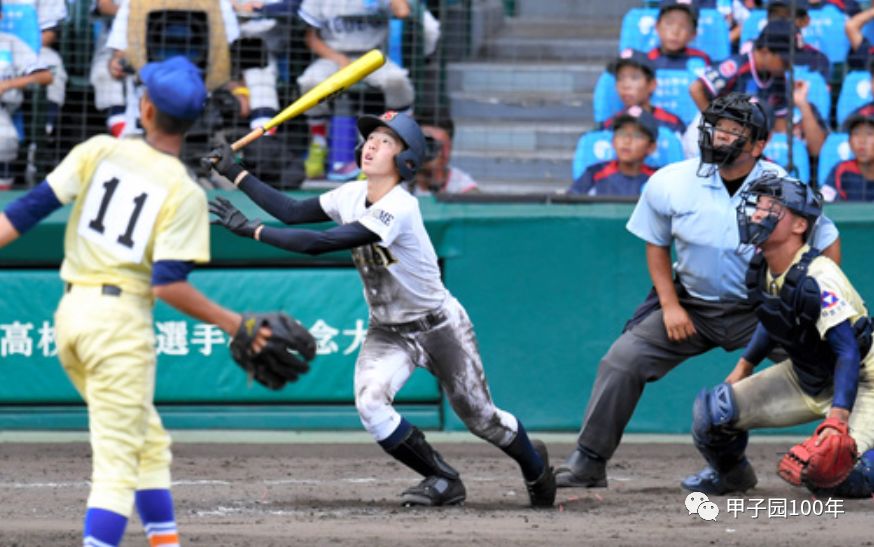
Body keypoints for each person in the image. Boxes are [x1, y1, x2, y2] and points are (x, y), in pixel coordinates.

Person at [204, 111, 557, 508]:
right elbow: (290, 210)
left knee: (481, 419)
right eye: (371, 137)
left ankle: (536, 466)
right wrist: (235, 173)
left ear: (406, 161)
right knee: (371, 403)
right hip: (388, 330)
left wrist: (253, 230)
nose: (372, 144)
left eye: (387, 141)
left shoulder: (400, 207)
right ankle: (441, 478)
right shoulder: (351, 194)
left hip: (439, 326)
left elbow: (319, 243)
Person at [0, 56, 281, 547]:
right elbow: (166, 284)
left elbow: (23, 213)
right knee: (115, 467)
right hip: (119, 328)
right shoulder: (185, 192)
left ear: (145, 109)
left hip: (72, 316)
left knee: (148, 444)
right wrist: (233, 322)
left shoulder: (99, 150)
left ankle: (164, 541)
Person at [553, 91, 840, 489]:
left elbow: (827, 238)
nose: (721, 136)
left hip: (762, 310)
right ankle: (589, 459)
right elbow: (656, 244)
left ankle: (854, 460)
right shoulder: (672, 180)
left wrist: (809, 300)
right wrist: (670, 305)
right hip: (692, 304)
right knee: (622, 361)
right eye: (718, 127)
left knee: (838, 369)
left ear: (758, 144)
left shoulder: (784, 186)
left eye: (734, 130)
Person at [681, 172, 874, 498]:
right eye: (758, 205)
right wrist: (744, 367)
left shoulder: (819, 277)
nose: (757, 213)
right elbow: (774, 319)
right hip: (807, 375)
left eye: (771, 207)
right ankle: (732, 475)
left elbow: (848, 353)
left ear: (800, 226)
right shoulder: (763, 266)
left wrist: (838, 419)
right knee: (714, 411)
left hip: (863, 381)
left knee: (832, 474)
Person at [297, 0, 416, 180]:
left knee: (396, 80)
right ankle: (319, 140)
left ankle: (402, 138)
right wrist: (338, 59)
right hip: (334, 57)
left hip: (373, 57)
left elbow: (402, 12)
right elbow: (311, 37)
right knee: (309, 82)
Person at [689, 19, 792, 115]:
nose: (789, 65)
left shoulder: (779, 79)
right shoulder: (738, 65)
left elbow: (780, 126)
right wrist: (714, 123)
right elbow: (696, 89)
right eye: (785, 61)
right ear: (765, 52)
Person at [0, 5, 53, 189]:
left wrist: (7, 85)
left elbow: (45, 76)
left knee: (4, 140)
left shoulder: (11, 43)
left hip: (2, 110)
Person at [569, 106, 658, 197]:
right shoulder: (594, 174)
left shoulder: (658, 179)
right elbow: (569, 206)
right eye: (621, 133)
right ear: (613, 141)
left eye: (637, 135)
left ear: (651, 147)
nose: (627, 141)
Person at [602, 49, 686, 135]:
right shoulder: (609, 126)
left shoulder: (672, 124)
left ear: (652, 84)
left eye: (634, 78)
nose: (625, 85)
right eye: (620, 78)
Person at [412, 118, 478, 195]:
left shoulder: (461, 185)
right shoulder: (401, 181)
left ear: (450, 148)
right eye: (429, 145)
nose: (438, 152)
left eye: (442, 146)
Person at [821, 112, 874, 201]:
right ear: (849, 143)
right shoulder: (841, 169)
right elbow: (825, 204)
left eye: (869, 134)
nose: (862, 141)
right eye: (856, 133)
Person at [646, 0, 712, 71]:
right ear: (657, 27)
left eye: (684, 26)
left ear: (693, 34)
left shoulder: (701, 59)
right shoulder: (648, 59)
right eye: (669, 23)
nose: (675, 31)